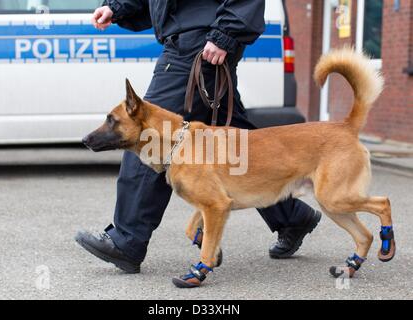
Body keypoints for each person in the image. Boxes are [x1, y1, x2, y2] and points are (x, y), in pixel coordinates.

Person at [76, 0, 321, 274]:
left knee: (147, 135)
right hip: (200, 39)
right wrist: (117, 6)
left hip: (201, 43)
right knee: (236, 145)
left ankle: (126, 239)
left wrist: (225, 33)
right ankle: (291, 217)